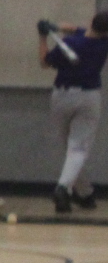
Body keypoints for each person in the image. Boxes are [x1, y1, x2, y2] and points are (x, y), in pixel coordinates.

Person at [39, 12, 108, 214]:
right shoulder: (103, 43)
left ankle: (82, 193)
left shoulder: (70, 43)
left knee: (70, 149)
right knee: (77, 149)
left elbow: (44, 61)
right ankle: (67, 189)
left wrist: (43, 36)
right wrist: (54, 26)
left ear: (91, 22)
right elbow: (75, 28)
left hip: (62, 97)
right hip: (89, 98)